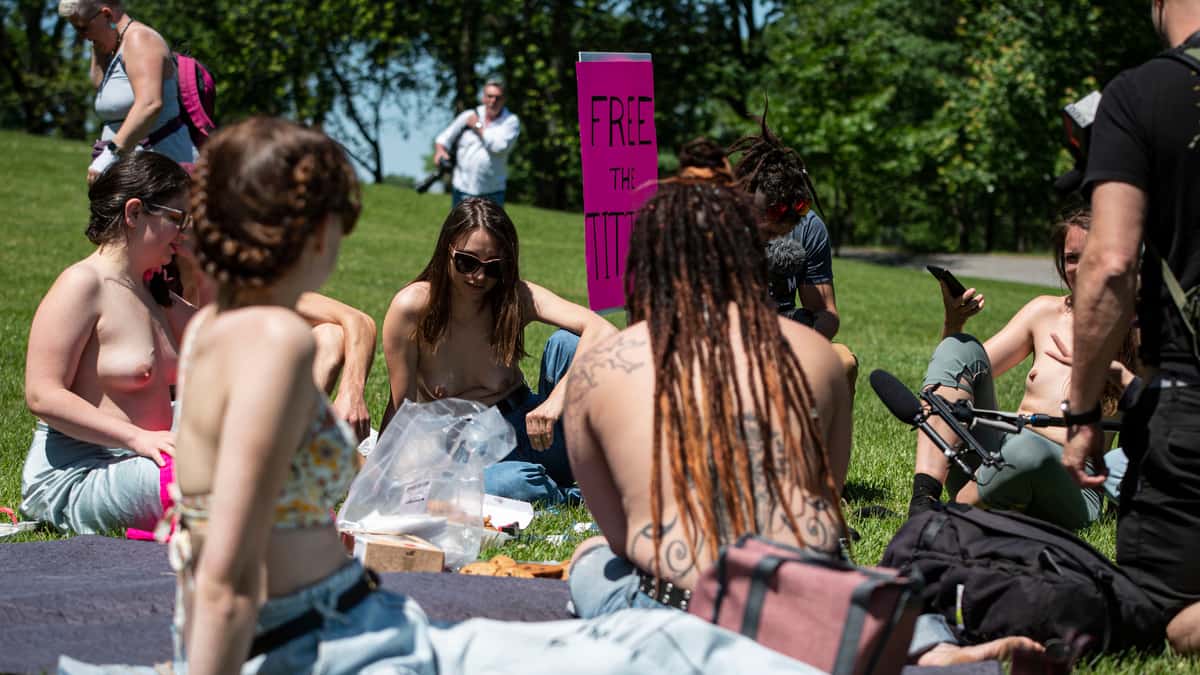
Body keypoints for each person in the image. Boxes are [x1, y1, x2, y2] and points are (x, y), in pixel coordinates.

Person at [114, 114, 830, 675]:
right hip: (327, 639)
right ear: (307, 230)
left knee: (600, 643)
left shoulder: (213, 329)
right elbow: (229, 570)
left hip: (321, 627)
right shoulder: (276, 341)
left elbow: (217, 545)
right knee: (626, 646)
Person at [561, 180, 852, 617]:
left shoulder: (599, 368)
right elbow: (825, 496)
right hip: (798, 605)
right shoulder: (819, 354)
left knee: (592, 557)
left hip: (673, 609)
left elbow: (624, 540)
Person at [1063, 0, 1200, 654]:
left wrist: (1083, 409)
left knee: (1156, 626)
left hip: (1189, 404)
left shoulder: (1140, 94)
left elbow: (1111, 263)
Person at [909, 210, 1134, 531]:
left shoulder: (1134, 330)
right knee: (958, 346)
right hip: (999, 456)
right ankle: (924, 500)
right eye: (1071, 258)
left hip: (1072, 486)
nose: (1081, 268)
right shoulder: (1043, 311)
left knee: (1026, 448)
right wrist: (954, 322)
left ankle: (949, 517)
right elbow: (959, 374)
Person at [382, 198, 616, 503]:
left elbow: (604, 330)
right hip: (470, 451)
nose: (478, 277)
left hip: (535, 429)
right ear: (446, 252)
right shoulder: (412, 309)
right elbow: (402, 412)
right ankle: (569, 494)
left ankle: (612, 460)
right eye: (467, 262)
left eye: (493, 268)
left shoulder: (515, 297)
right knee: (507, 484)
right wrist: (383, 475)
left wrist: (555, 401)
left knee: (567, 344)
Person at [21, 152, 191, 535]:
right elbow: (42, 394)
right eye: (178, 220)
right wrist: (139, 438)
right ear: (134, 213)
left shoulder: (152, 289)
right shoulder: (83, 284)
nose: (184, 233)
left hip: (148, 459)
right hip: (79, 475)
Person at [727, 111, 859, 393]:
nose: (781, 238)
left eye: (787, 230)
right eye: (771, 232)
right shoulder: (718, 227)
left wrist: (798, 346)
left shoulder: (809, 226)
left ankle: (822, 438)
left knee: (844, 361)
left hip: (787, 338)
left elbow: (825, 312)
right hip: (726, 345)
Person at [59, 0, 198, 183]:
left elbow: (149, 104)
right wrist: (99, 46)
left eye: (83, 28)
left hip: (164, 171)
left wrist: (111, 153)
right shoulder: (117, 45)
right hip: (139, 170)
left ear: (107, 15)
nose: (82, 36)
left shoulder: (140, 40)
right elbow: (99, 85)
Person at [433, 76, 520, 207]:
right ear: (483, 97)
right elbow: (443, 139)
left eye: (498, 97)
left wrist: (478, 127)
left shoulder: (510, 121)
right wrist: (440, 151)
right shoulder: (468, 115)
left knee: (491, 228)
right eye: (490, 96)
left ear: (504, 100)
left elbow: (499, 147)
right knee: (460, 228)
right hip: (462, 189)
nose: (493, 101)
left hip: (493, 192)